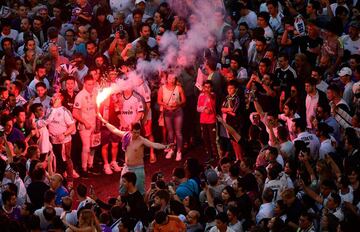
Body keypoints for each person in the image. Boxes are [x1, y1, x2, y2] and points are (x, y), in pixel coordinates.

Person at [97, 113, 172, 195]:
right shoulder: (126, 136)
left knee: (140, 191)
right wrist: (102, 120)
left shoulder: (141, 140)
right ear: (131, 131)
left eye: (138, 132)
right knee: (122, 190)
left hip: (138, 169)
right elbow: (114, 129)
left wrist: (166, 146)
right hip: (127, 168)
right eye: (135, 132)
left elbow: (154, 144)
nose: (137, 134)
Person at [157, 71, 186, 161]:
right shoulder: (162, 88)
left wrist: (178, 104)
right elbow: (159, 100)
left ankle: (179, 151)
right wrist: (166, 105)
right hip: (167, 112)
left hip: (178, 112)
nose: (171, 80)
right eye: (170, 78)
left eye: (173, 78)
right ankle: (171, 149)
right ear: (167, 79)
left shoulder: (179, 88)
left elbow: (184, 100)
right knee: (170, 133)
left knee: (178, 132)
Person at [72, 75, 97, 177]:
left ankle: (90, 165)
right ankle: (84, 168)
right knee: (86, 147)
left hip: (94, 123)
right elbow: (75, 113)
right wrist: (84, 122)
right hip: (84, 126)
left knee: (93, 146)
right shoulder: (80, 96)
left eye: (92, 84)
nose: (91, 86)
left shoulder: (95, 93)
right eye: (89, 84)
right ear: (84, 84)